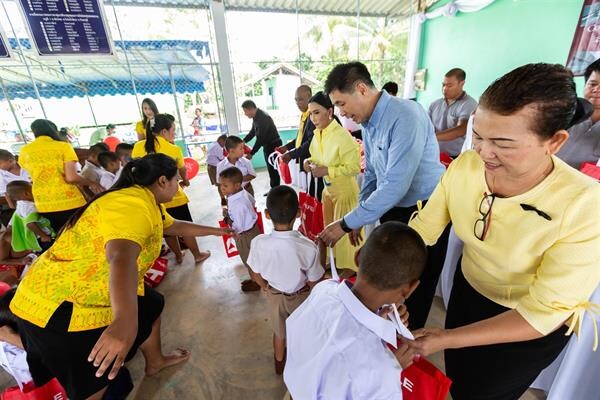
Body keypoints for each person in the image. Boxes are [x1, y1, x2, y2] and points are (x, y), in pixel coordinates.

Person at [407, 63, 600, 400]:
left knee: (485, 392)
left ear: (554, 142)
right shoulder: (467, 166)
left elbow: (540, 315)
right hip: (470, 292)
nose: (483, 151)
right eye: (478, 136)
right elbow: (424, 231)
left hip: (524, 326)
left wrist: (446, 337)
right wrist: (390, 282)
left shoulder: (584, 205)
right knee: (459, 377)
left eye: (502, 143)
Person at [10, 154, 234, 400]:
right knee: (95, 379)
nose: (178, 186)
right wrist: (124, 322)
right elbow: (121, 257)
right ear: (162, 181)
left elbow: (173, 226)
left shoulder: (146, 201)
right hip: (62, 302)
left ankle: (155, 361)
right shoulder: (131, 205)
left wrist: (218, 230)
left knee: (151, 305)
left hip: (100, 287)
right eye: (176, 182)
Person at [319, 62, 448, 329]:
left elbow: (394, 185)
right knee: (388, 283)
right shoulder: (368, 122)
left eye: (342, 104)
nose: (341, 113)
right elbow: (373, 176)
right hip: (395, 208)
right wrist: (360, 216)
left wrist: (345, 224)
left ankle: (407, 345)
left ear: (362, 89)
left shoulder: (405, 116)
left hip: (423, 213)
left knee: (412, 290)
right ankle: (388, 334)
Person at [284, 222, 426, 399]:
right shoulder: (382, 374)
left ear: (358, 257)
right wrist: (393, 368)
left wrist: (378, 322)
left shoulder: (324, 289)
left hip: (296, 386)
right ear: (409, 289)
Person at [247, 185, 324, 374]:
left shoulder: (258, 243)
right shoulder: (307, 246)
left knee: (279, 333)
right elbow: (314, 281)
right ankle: (304, 365)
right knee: (302, 331)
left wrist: (265, 287)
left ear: (266, 214)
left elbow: (255, 274)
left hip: (274, 294)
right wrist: (321, 248)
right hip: (300, 296)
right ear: (298, 213)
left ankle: (279, 363)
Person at [132, 114, 211, 265]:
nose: (174, 133)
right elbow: (182, 171)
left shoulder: (137, 147)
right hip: (173, 197)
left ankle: (178, 255)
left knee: (167, 228)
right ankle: (197, 255)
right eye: (173, 130)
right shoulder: (173, 149)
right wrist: (186, 181)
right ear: (163, 132)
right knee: (185, 226)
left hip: (150, 199)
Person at [304, 91, 361, 273]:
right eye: (311, 113)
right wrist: (308, 163)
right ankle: (335, 261)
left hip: (345, 192)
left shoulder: (341, 136)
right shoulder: (318, 134)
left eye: (317, 112)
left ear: (330, 112)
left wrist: (327, 170)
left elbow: (354, 167)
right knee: (330, 230)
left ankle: (351, 267)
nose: (313, 117)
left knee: (344, 234)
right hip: (328, 191)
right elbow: (315, 157)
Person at [18, 119, 103, 233]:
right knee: (82, 233)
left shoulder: (24, 150)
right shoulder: (64, 147)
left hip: (43, 202)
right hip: (68, 200)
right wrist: (92, 183)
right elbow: (71, 177)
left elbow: (29, 175)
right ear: (54, 130)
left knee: (61, 235)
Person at [219, 167, 261, 292]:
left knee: (249, 260)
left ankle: (257, 283)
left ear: (237, 185)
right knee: (254, 257)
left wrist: (227, 219)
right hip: (252, 230)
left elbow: (239, 227)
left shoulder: (238, 204)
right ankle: (256, 279)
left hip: (245, 235)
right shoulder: (241, 192)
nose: (222, 188)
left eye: (225, 185)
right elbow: (253, 202)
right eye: (221, 185)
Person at [556, 58, 600, 168]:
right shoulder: (564, 110)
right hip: (541, 176)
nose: (596, 89)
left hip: (581, 183)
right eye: (592, 84)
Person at [428, 68, 478, 157]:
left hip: (455, 158)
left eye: (449, 85)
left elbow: (461, 129)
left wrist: (431, 137)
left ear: (462, 84)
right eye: (443, 85)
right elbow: (426, 127)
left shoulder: (469, 104)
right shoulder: (435, 104)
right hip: (433, 155)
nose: (444, 89)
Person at [241, 100, 283, 190]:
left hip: (273, 146)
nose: (245, 114)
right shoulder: (256, 117)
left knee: (273, 169)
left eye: (245, 111)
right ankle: (274, 189)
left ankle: (276, 191)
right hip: (267, 145)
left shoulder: (263, 118)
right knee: (270, 169)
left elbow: (260, 139)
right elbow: (253, 132)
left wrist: (251, 153)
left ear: (250, 109)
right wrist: (243, 141)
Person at [5, 181, 54, 253]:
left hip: (40, 233)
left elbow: (16, 215)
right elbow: (30, 224)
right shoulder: (29, 208)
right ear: (27, 194)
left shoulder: (20, 202)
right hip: (41, 236)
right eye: (33, 189)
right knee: (50, 250)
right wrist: (44, 236)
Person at [277, 85, 316, 167]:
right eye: (296, 100)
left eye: (300, 99)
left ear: (309, 97)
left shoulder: (313, 116)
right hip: (303, 159)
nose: (298, 103)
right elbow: (302, 138)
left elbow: (311, 142)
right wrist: (287, 147)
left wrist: (291, 154)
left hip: (311, 161)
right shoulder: (304, 115)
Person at [0, 150, 31, 227]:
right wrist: (13, 209)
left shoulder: (27, 165)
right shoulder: (2, 174)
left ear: (10, 161)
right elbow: (6, 193)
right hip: (21, 204)